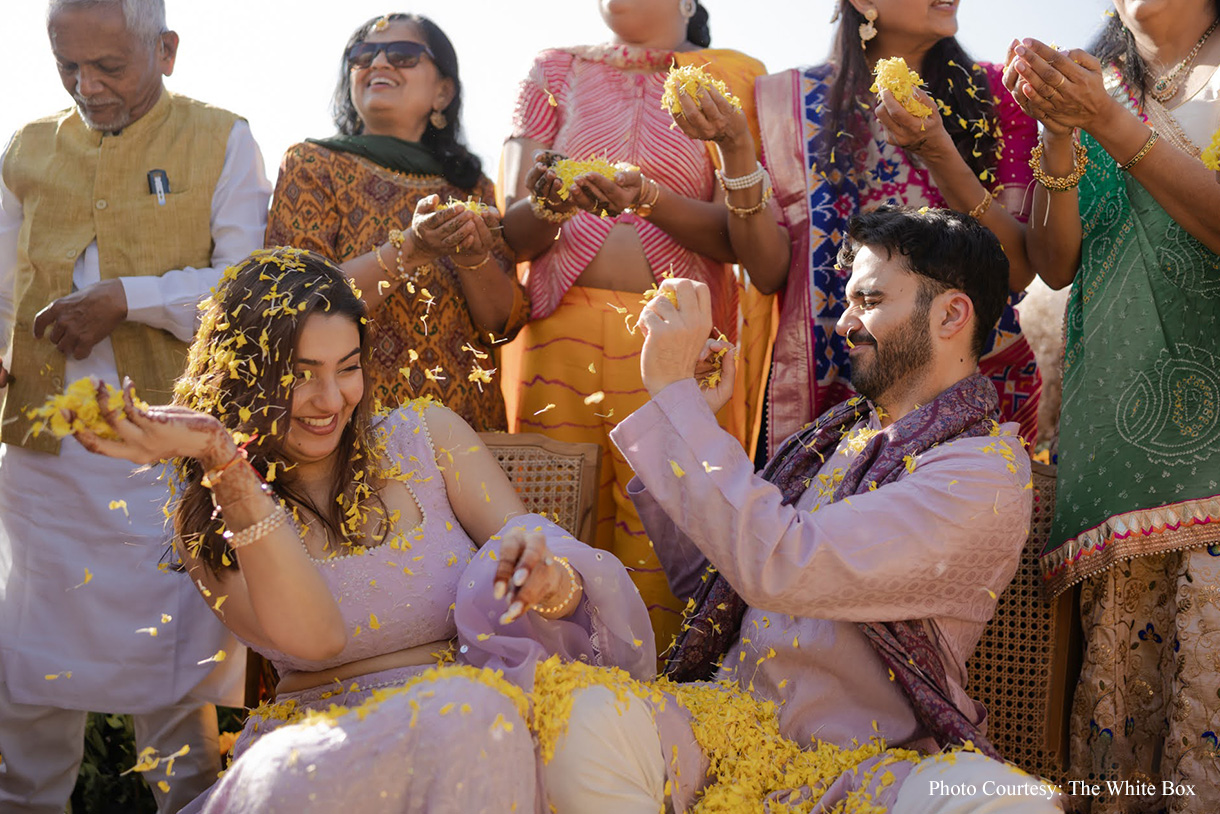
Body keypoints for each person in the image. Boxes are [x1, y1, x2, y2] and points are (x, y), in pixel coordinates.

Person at [69, 247, 655, 812]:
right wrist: (226, 463)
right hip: (328, 753)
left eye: (347, 368)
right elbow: (315, 642)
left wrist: (551, 586)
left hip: (482, 726)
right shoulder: (216, 511)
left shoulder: (427, 436)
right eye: (301, 375)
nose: (330, 400)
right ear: (244, 375)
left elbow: (540, 556)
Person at [539, 207, 1061, 813]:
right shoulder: (838, 439)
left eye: (868, 299)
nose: (845, 322)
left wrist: (675, 396)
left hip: (855, 770)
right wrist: (693, 423)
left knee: (1004, 804)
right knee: (583, 718)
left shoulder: (981, 470)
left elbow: (784, 563)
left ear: (950, 315)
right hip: (719, 734)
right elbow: (711, 580)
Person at [0, 1, 271, 810]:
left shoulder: (222, 136)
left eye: (110, 67)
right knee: (29, 671)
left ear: (167, 50)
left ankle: (188, 801)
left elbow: (245, 283)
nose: (88, 87)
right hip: (44, 464)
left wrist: (132, 299)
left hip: (164, 454)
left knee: (169, 674)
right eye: (68, 68)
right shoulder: (25, 147)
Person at [500, 0, 772, 654]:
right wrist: (553, 202)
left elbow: (744, 237)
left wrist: (647, 195)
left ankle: (660, 714)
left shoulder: (735, 79)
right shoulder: (553, 71)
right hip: (557, 333)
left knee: (666, 530)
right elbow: (510, 233)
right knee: (549, 515)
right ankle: (547, 697)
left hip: (676, 341)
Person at [1006, 1, 1220, 809]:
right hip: (1120, 454)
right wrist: (1063, 131)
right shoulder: (1092, 76)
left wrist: (1113, 124)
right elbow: (1056, 264)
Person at [671, 0, 1042, 460]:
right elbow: (769, 273)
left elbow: (1018, 269)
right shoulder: (786, 102)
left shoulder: (996, 92)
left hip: (973, 382)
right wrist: (736, 150)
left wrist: (939, 151)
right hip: (833, 384)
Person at [265, 13, 527, 432]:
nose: (380, 63)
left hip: (469, 432)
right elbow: (296, 305)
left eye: (403, 55)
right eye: (364, 55)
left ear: (442, 92)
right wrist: (412, 250)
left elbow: (501, 328)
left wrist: (473, 258)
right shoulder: (313, 165)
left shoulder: (471, 186)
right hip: (353, 427)